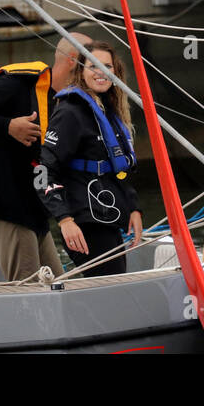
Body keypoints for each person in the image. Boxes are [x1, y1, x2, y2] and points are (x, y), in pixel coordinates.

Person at [0, 32, 93, 281]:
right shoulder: (19, 83)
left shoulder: (68, 101)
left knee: (59, 284)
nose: (98, 71)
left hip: (33, 207)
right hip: (4, 201)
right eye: (93, 63)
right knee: (31, 287)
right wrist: (7, 126)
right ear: (73, 60)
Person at [40, 41, 144, 277]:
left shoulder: (107, 112)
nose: (101, 72)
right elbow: (44, 171)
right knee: (110, 289)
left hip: (107, 216)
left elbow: (117, 170)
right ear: (81, 71)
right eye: (93, 66)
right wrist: (64, 220)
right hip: (84, 222)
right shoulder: (70, 112)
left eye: (107, 66)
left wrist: (133, 207)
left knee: (112, 287)